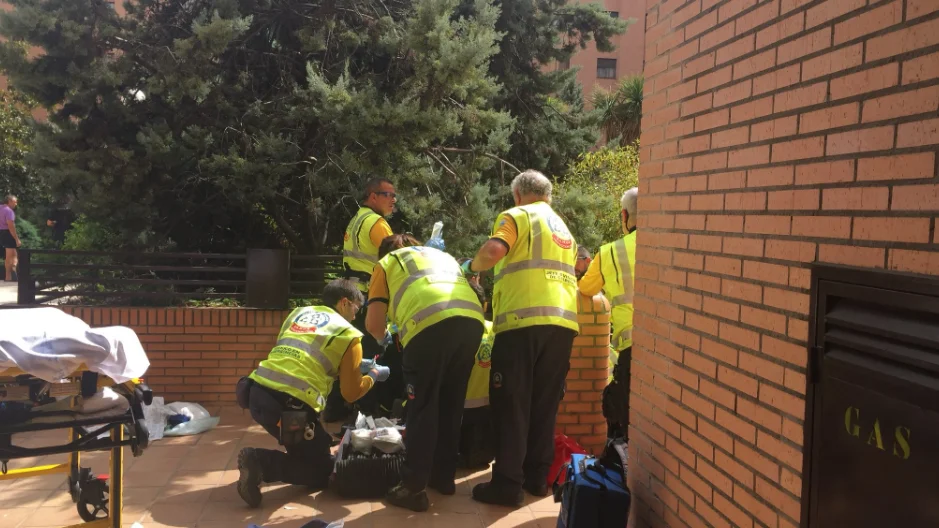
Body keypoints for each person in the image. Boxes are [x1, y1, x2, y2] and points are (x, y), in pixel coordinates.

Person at [461, 170, 580, 506]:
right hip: (562, 325)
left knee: (511, 404)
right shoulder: (564, 229)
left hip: (521, 322)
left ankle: (507, 485)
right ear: (549, 195)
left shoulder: (517, 215)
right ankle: (537, 480)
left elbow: (494, 250)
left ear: (517, 194)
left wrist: (471, 266)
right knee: (544, 406)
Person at [234, 279, 391, 508]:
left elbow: (304, 356)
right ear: (345, 302)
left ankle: (288, 456)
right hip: (290, 408)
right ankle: (259, 462)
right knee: (321, 471)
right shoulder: (348, 334)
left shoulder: (299, 313)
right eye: (357, 307)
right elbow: (351, 393)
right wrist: (374, 374)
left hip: (257, 392)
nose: (356, 315)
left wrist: (354, 364)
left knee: (312, 448)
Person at [365, 234, 484, 512]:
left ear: (384, 252)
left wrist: (386, 339)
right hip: (471, 322)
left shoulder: (387, 262)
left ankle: (413, 487)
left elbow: (373, 323)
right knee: (451, 404)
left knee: (423, 406)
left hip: (428, 326)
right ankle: (443, 478)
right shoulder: (442, 256)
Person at [327, 177, 397, 421]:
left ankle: (339, 408)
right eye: (388, 194)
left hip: (351, 292)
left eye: (394, 195)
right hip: (368, 294)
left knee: (349, 350)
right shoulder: (376, 223)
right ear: (373, 196)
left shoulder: (357, 219)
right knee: (369, 353)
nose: (393, 200)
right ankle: (368, 409)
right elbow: (395, 258)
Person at [578, 187, 638, 440]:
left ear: (624, 215)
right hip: (671, 347)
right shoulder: (673, 244)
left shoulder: (611, 252)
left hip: (631, 347)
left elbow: (586, 288)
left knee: (624, 416)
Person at [459, 279, 496, 469]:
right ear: (485, 304)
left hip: (459, 406)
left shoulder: (453, 331)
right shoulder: (495, 329)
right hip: (487, 405)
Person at [1, 195, 20, 282]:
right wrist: (16, 239)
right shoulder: (9, 211)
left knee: (13, 253)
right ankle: (10, 273)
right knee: (10, 255)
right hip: (7, 233)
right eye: (14, 202)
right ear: (9, 201)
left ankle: (12, 270)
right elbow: (11, 226)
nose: (16, 204)